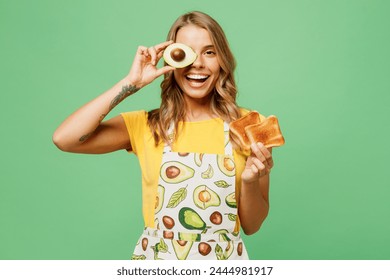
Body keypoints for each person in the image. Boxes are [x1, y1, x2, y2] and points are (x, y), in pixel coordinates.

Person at [53, 11, 274, 260]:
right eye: (186, 52)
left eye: (209, 52)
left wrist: (250, 181)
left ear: (222, 59)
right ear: (172, 59)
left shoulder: (250, 126)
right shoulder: (147, 125)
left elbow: (252, 226)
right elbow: (65, 138)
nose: (197, 63)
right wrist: (130, 83)